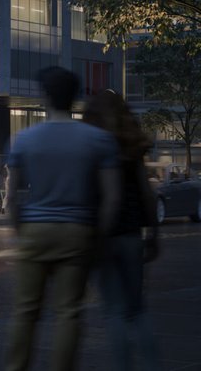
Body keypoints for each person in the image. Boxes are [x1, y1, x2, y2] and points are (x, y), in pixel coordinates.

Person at [3, 66, 120, 371]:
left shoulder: (24, 139)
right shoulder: (98, 140)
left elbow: (13, 196)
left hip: (35, 230)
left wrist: (19, 231)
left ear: (45, 96)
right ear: (75, 97)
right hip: (77, 230)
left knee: (26, 310)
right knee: (69, 311)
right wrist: (99, 236)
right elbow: (111, 197)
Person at [84, 90, 160, 371]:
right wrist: (154, 233)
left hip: (104, 235)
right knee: (137, 309)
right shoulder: (132, 148)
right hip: (131, 234)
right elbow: (147, 194)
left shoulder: (93, 148)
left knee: (114, 311)